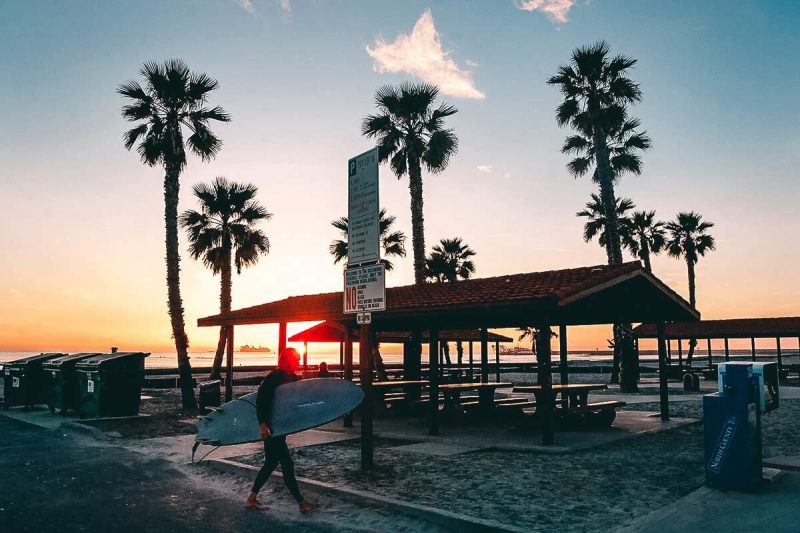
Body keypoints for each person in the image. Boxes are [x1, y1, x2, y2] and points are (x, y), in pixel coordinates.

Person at [245, 348, 317, 513]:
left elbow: (293, 402)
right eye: (296, 360)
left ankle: (252, 498)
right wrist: (262, 423)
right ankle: (301, 503)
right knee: (287, 464)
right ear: (288, 360)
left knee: (270, 463)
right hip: (272, 428)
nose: (298, 363)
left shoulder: (292, 377)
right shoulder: (275, 377)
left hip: (281, 428)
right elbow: (261, 400)